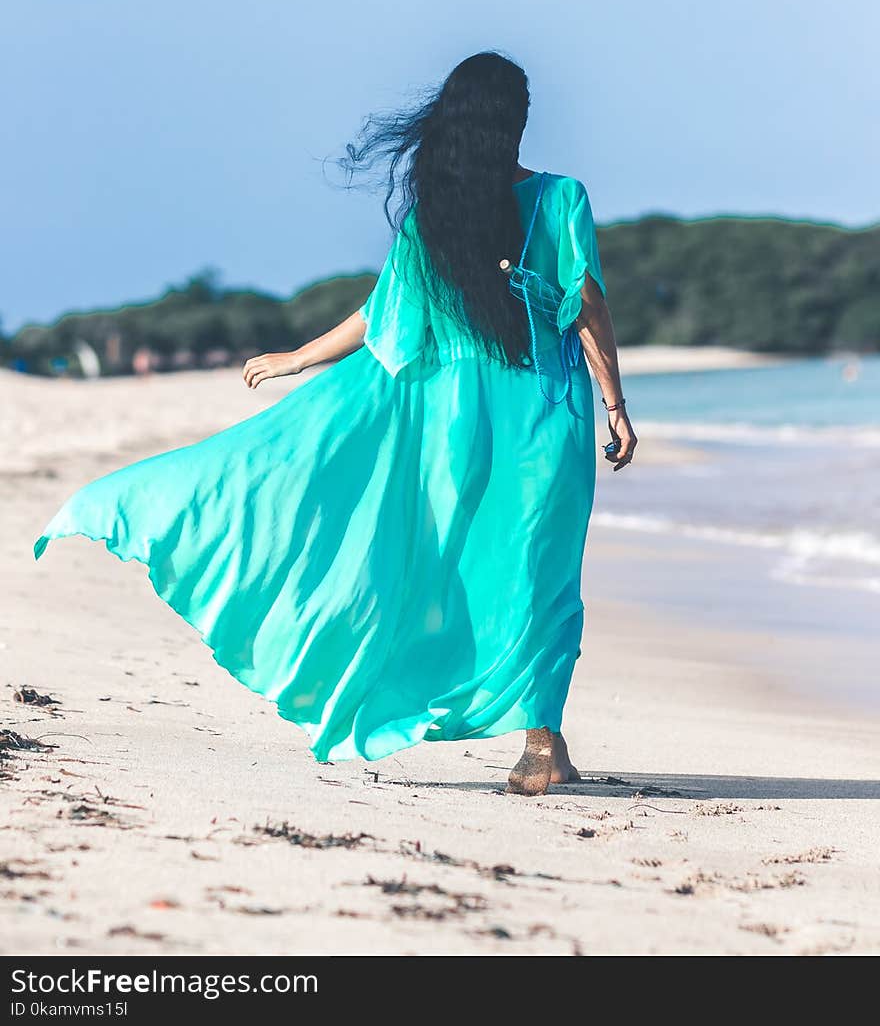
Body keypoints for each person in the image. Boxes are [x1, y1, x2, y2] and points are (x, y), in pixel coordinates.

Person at [35, 52, 637, 797]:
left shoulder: (436, 218)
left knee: (451, 563)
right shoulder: (561, 196)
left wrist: (299, 358)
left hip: (454, 424)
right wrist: (615, 403)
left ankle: (483, 720)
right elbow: (587, 305)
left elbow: (378, 313)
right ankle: (540, 744)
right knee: (540, 573)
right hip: (546, 415)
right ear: (514, 118)